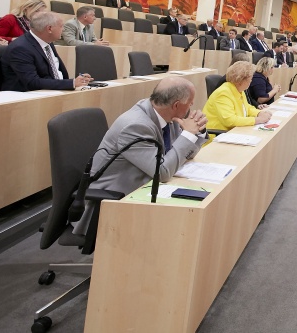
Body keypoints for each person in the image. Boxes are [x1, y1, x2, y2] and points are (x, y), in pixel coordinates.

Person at [72, 77, 207, 235]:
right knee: (184, 224)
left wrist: (198, 131)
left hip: (142, 187)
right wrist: (188, 135)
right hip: (111, 202)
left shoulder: (164, 113)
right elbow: (162, 173)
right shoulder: (135, 126)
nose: (192, 107)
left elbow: (184, 155)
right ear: (176, 105)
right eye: (190, 102)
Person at [1, 11, 92, 91]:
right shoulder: (20, 48)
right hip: (28, 97)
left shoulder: (47, 41)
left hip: (52, 91)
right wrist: (71, 83)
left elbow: (53, 74)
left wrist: (75, 82)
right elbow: (32, 82)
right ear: (49, 29)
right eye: (61, 26)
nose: (63, 29)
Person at [203, 61, 272, 130]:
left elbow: (246, 107)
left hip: (235, 131)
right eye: (250, 78)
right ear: (241, 80)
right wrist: (257, 120)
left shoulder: (239, 90)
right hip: (220, 134)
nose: (251, 81)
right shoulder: (223, 93)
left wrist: (259, 113)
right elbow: (229, 120)